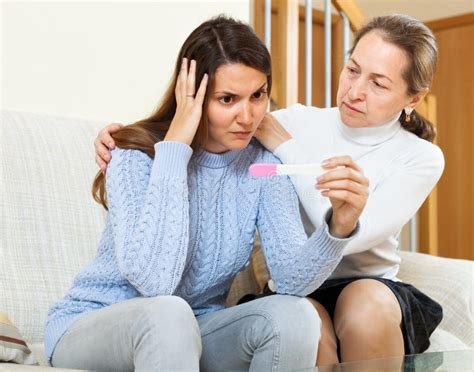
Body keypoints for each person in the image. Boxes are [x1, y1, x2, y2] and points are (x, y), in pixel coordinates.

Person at [95, 13, 444, 367]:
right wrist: (127, 140)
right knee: (301, 320)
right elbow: (211, 116)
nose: (354, 92)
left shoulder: (421, 157)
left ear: (413, 99)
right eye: (352, 70)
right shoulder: (292, 121)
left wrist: (285, 146)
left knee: (364, 304)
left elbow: (353, 236)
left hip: (367, 283)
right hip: (300, 284)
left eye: (379, 84)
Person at [46, 16, 367, 371]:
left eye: (257, 95)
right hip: (95, 324)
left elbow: (291, 281)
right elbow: (156, 283)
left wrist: (339, 225)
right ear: (191, 98)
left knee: (296, 316)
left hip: (195, 327)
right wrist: (175, 149)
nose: (247, 116)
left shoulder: (261, 166)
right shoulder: (134, 155)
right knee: (169, 313)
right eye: (227, 99)